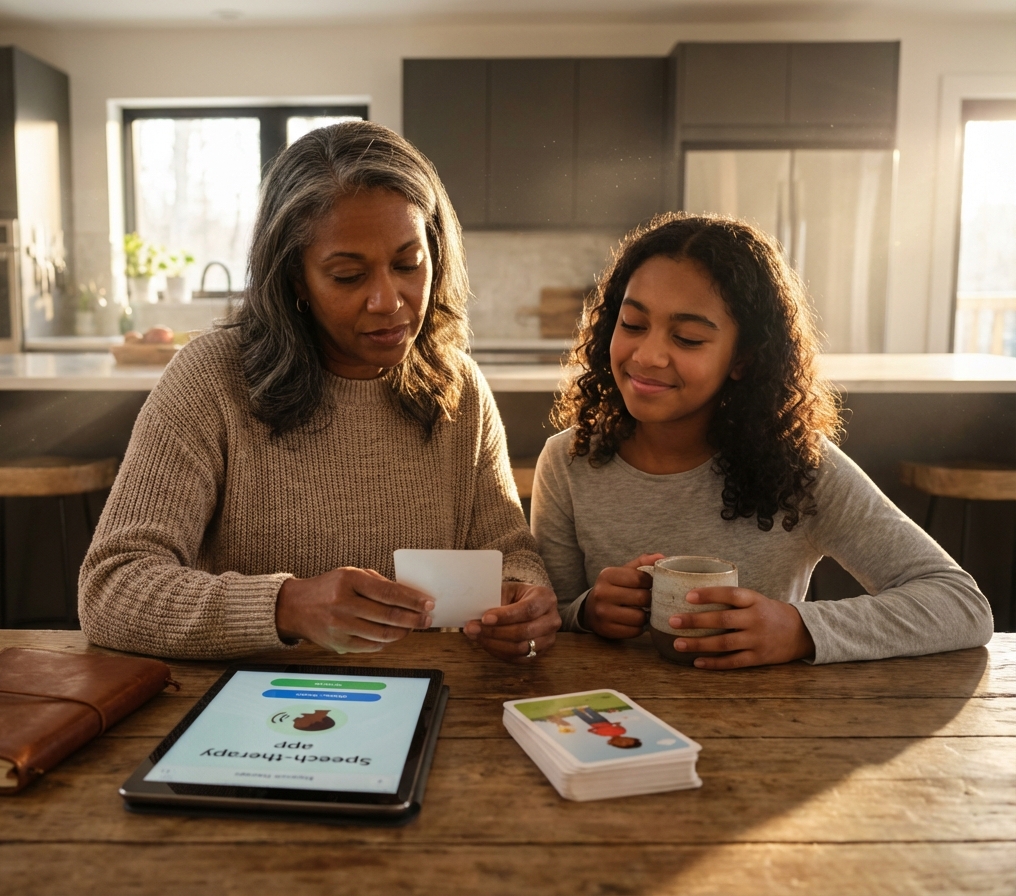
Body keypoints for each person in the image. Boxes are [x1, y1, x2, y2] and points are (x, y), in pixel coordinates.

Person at [80, 121, 559, 662]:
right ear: (294, 281)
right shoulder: (210, 380)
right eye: (348, 276)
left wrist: (524, 600)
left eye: (408, 264)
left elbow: (510, 552)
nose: (388, 300)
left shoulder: (458, 386)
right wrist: (284, 606)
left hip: (425, 696)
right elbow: (112, 588)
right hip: (253, 708)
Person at [532, 213, 993, 668]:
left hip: (766, 727)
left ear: (744, 358)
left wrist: (799, 630)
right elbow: (547, 617)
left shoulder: (798, 467)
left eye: (688, 338)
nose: (648, 355)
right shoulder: (568, 461)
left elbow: (961, 605)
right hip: (611, 728)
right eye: (633, 324)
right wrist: (589, 612)